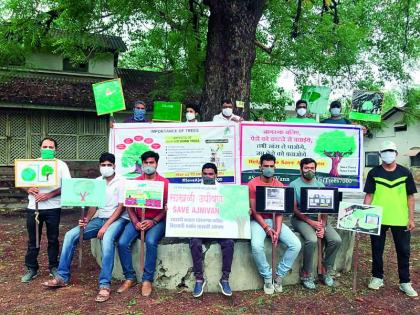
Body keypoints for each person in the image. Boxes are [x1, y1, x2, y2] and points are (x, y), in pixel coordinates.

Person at [42, 152, 128, 302]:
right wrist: (86, 220)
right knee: (70, 235)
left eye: (109, 165)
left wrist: (106, 226)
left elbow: (121, 208)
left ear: (114, 166)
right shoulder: (97, 181)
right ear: (99, 166)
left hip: (116, 220)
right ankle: (62, 276)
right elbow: (94, 204)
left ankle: (104, 285)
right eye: (103, 165)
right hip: (99, 218)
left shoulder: (122, 182)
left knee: (107, 239)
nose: (106, 167)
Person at [364, 141, 418, 297]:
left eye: (391, 151)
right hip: (377, 218)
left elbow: (410, 197)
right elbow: (369, 195)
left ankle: (405, 282)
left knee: (403, 251)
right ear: (380, 154)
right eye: (385, 151)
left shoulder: (405, 172)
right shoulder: (374, 172)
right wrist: (364, 217)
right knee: (376, 249)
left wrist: (411, 218)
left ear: (396, 153)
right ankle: (377, 277)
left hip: (400, 218)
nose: (388, 153)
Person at [117, 151, 169, 297]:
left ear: (156, 164)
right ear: (142, 164)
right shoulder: (135, 182)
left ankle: (147, 280)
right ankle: (130, 277)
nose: (148, 165)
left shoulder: (164, 183)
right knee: (122, 242)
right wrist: (135, 222)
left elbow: (167, 208)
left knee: (151, 241)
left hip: (156, 221)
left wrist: (154, 221)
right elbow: (129, 205)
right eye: (145, 163)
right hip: (138, 220)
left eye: (151, 163)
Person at [248, 154, 301, 294]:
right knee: (256, 246)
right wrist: (266, 228)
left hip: (275, 220)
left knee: (296, 244)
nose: (269, 168)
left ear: (275, 167)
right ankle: (267, 276)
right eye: (266, 166)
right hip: (258, 222)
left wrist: (277, 230)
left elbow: (279, 211)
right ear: (260, 167)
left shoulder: (279, 185)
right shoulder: (253, 184)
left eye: (271, 166)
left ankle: (279, 276)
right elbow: (254, 210)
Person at [21, 137, 71, 283]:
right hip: (34, 208)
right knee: (33, 239)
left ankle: (53, 267)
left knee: (53, 238)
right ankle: (31, 268)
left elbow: (67, 185)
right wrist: (27, 188)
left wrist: (49, 195)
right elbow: (22, 182)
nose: (47, 149)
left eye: (51, 147)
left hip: (53, 208)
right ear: (40, 148)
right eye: (45, 147)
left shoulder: (61, 165)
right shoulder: (32, 164)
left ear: (55, 149)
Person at [290, 158, 342, 289]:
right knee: (312, 240)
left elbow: (326, 208)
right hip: (301, 219)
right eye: (306, 168)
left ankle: (325, 270)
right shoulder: (294, 185)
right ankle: (306, 273)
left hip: (320, 219)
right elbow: (294, 209)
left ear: (315, 169)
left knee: (336, 240)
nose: (309, 170)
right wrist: (311, 222)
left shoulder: (321, 185)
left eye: (312, 168)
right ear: (301, 169)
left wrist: (323, 225)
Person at [190, 163, 234, 298]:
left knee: (229, 243)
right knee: (194, 241)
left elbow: (231, 210)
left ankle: (225, 279)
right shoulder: (193, 190)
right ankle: (199, 279)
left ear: (216, 175)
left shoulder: (224, 191)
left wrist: (244, 211)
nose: (208, 176)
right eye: (205, 174)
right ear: (201, 174)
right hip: (201, 227)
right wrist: (172, 207)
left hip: (219, 227)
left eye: (211, 174)